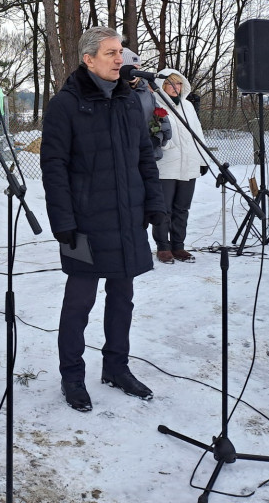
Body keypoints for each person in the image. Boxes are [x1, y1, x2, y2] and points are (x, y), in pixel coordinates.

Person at [41, 27, 166, 412]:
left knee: (123, 298)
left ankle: (116, 367)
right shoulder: (66, 104)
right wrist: (62, 221)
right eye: (111, 53)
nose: (119, 59)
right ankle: (72, 376)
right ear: (88, 59)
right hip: (84, 223)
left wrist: (154, 204)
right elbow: (54, 166)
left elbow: (144, 156)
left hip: (127, 218)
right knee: (79, 302)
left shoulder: (130, 100)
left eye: (121, 53)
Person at [150, 69, 208, 264]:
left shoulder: (188, 106)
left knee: (182, 208)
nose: (175, 88)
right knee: (164, 209)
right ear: (162, 86)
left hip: (189, 164)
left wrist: (202, 160)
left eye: (179, 83)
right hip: (166, 165)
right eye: (170, 83)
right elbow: (154, 133)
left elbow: (197, 133)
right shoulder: (155, 104)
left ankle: (178, 246)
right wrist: (167, 144)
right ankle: (163, 247)